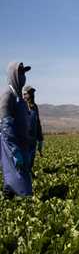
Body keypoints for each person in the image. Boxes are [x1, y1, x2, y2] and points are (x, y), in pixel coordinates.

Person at [0, 62, 32, 198]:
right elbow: (6, 126)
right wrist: (15, 152)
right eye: (20, 73)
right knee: (21, 186)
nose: (23, 76)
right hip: (13, 146)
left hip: (22, 144)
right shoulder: (7, 95)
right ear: (13, 75)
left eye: (24, 73)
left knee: (16, 180)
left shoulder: (19, 96)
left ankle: (9, 197)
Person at [22, 85, 44, 176]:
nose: (31, 95)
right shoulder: (20, 106)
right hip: (24, 139)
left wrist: (40, 139)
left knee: (31, 158)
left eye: (32, 93)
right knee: (24, 159)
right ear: (24, 95)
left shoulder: (34, 107)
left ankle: (29, 171)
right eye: (29, 93)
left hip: (33, 138)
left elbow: (37, 123)